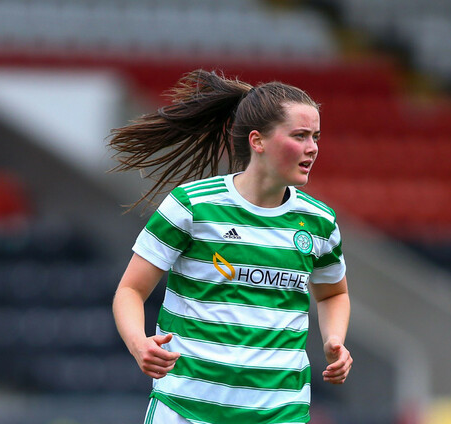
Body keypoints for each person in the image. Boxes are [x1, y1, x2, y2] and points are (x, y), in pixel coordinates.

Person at [109, 69, 352, 424]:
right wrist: (138, 343)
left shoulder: (319, 221)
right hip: (186, 408)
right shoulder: (192, 206)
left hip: (280, 412)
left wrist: (335, 339)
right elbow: (130, 290)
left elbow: (333, 294)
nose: (312, 148)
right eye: (299, 136)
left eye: (315, 137)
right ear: (258, 141)